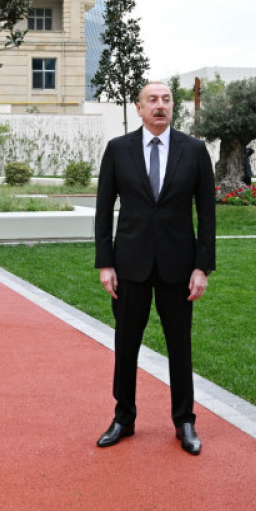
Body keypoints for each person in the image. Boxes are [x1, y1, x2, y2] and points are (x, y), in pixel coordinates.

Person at [93, 82, 216, 454]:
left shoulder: (194, 151)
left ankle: (185, 421)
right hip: (130, 266)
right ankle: (123, 418)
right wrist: (105, 263)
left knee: (180, 347)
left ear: (172, 107)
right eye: (153, 100)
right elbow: (103, 211)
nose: (160, 106)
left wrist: (202, 268)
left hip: (179, 270)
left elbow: (207, 216)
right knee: (125, 344)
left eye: (166, 100)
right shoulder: (118, 150)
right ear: (139, 107)